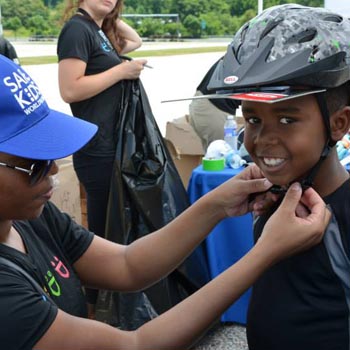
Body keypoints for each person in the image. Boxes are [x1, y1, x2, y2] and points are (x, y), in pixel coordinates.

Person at [0, 54, 330, 350]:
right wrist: (265, 253)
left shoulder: (29, 217)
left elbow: (127, 266)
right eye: (32, 162)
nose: (54, 168)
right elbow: (137, 345)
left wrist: (217, 204)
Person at [207, 4, 350, 350]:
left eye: (286, 119)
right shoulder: (273, 200)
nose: (263, 139)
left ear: (339, 124)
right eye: (253, 120)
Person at [57, 0, 148, 317]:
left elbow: (135, 40)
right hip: (96, 149)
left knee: (113, 227)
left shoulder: (96, 30)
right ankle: (93, 310)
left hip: (112, 145)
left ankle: (110, 305)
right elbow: (70, 89)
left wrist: (109, 15)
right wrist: (121, 70)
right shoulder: (76, 30)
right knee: (100, 230)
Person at [188, 59, 238, 151]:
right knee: (223, 157)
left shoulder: (247, 50)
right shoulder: (256, 53)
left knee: (215, 158)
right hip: (213, 107)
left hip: (206, 104)